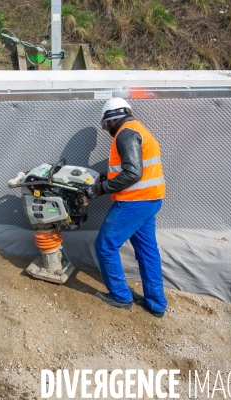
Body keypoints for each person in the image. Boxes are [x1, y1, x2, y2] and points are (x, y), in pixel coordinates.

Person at [84, 98, 167, 318]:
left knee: (105, 245)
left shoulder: (125, 133)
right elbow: (131, 168)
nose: (107, 130)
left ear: (111, 119)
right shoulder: (140, 130)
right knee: (148, 252)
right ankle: (156, 304)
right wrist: (105, 177)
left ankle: (120, 296)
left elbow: (132, 173)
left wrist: (97, 190)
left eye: (106, 125)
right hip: (150, 200)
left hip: (133, 202)